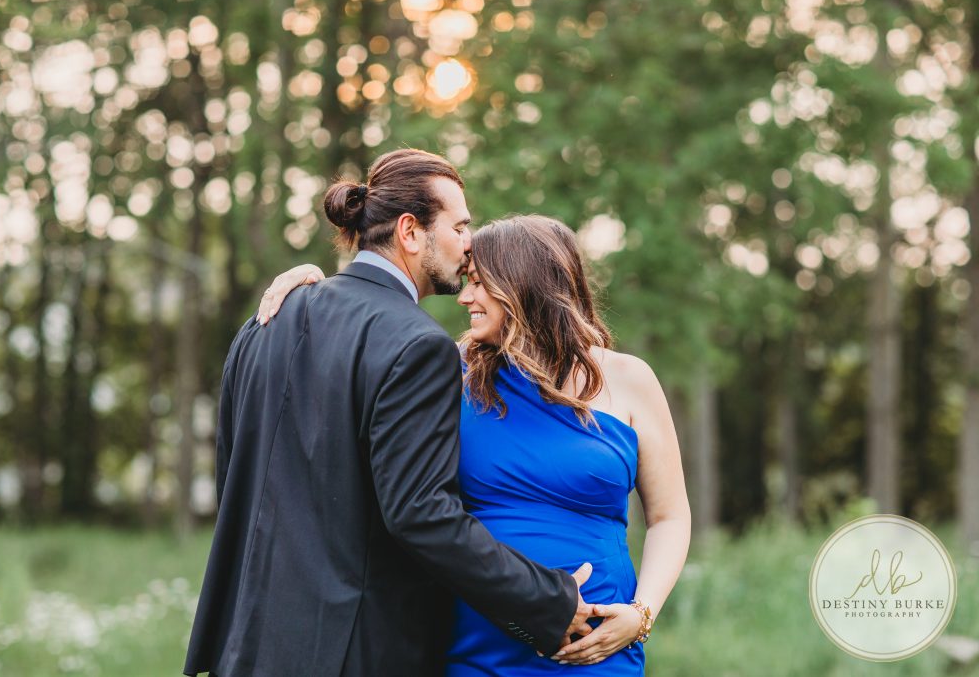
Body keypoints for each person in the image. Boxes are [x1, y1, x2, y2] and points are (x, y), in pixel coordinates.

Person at [183, 150, 595, 677]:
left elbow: (232, 478)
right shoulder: (420, 345)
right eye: (460, 224)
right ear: (410, 232)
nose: (469, 243)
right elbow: (421, 514)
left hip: (245, 648)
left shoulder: (266, 320)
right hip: (356, 655)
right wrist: (548, 600)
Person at [260, 214, 691, 674]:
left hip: (597, 645)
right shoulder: (446, 371)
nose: (464, 296)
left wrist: (642, 613)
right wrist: (317, 297)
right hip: (474, 644)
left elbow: (670, 516)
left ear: (527, 286)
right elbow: (350, 372)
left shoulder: (629, 380)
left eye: (481, 284)